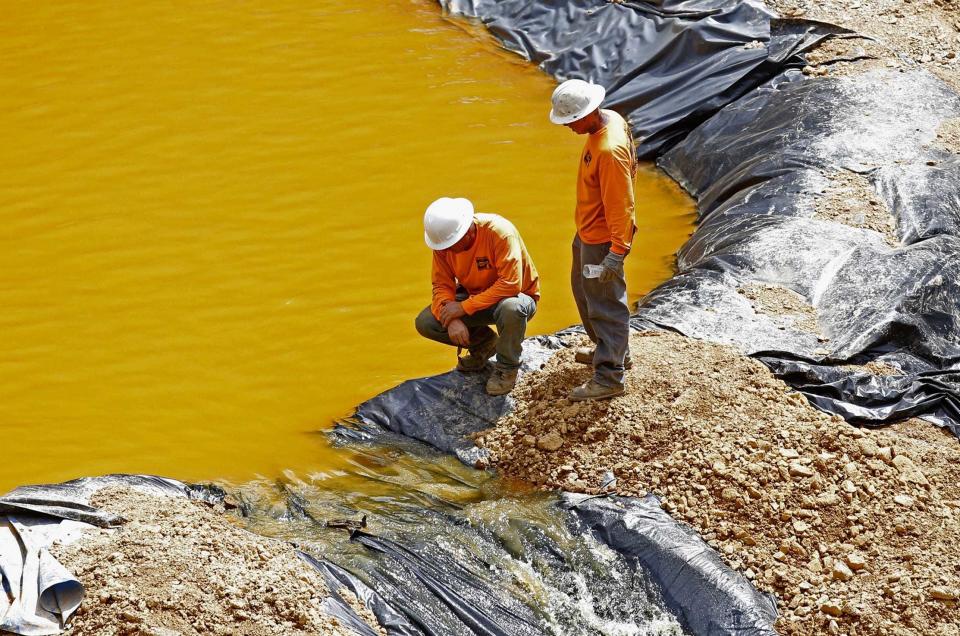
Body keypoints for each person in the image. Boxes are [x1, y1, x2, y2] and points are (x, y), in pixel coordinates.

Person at [549, 79, 637, 401]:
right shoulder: (609, 119)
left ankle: (610, 374)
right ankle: (609, 348)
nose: (569, 127)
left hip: (602, 242)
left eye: (572, 120)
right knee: (584, 292)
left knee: (605, 303)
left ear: (588, 113)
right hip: (588, 232)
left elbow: (621, 205)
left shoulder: (609, 151)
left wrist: (616, 253)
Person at [415, 197, 540, 396]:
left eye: (451, 244)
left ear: (467, 230)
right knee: (427, 322)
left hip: (515, 296)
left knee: (511, 309)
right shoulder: (443, 246)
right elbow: (441, 285)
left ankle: (507, 368)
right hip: (474, 295)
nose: (447, 250)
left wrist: (464, 308)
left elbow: (510, 284)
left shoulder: (499, 232)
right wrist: (452, 318)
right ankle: (484, 345)